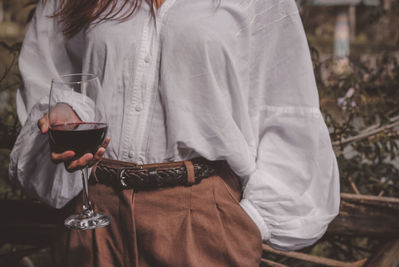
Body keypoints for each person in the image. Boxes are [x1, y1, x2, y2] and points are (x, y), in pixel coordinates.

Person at [9, 0, 341, 266]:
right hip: (96, 215)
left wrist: (250, 222)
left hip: (203, 221)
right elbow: (47, 79)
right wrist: (67, 110)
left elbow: (287, 105)